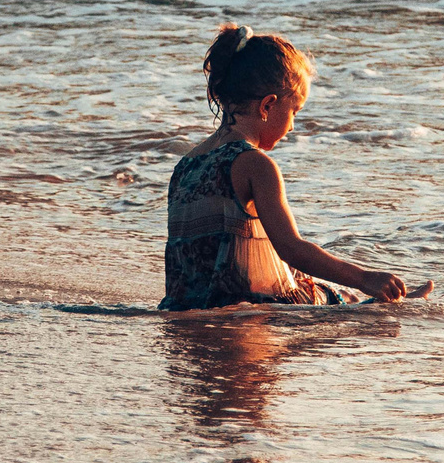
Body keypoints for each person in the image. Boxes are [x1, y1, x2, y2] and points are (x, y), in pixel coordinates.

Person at [160, 24, 409, 312]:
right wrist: (364, 277)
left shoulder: (185, 165)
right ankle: (393, 302)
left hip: (183, 307)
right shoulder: (255, 164)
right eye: (295, 112)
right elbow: (291, 249)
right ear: (267, 106)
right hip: (246, 305)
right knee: (351, 306)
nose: (292, 126)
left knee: (322, 290)